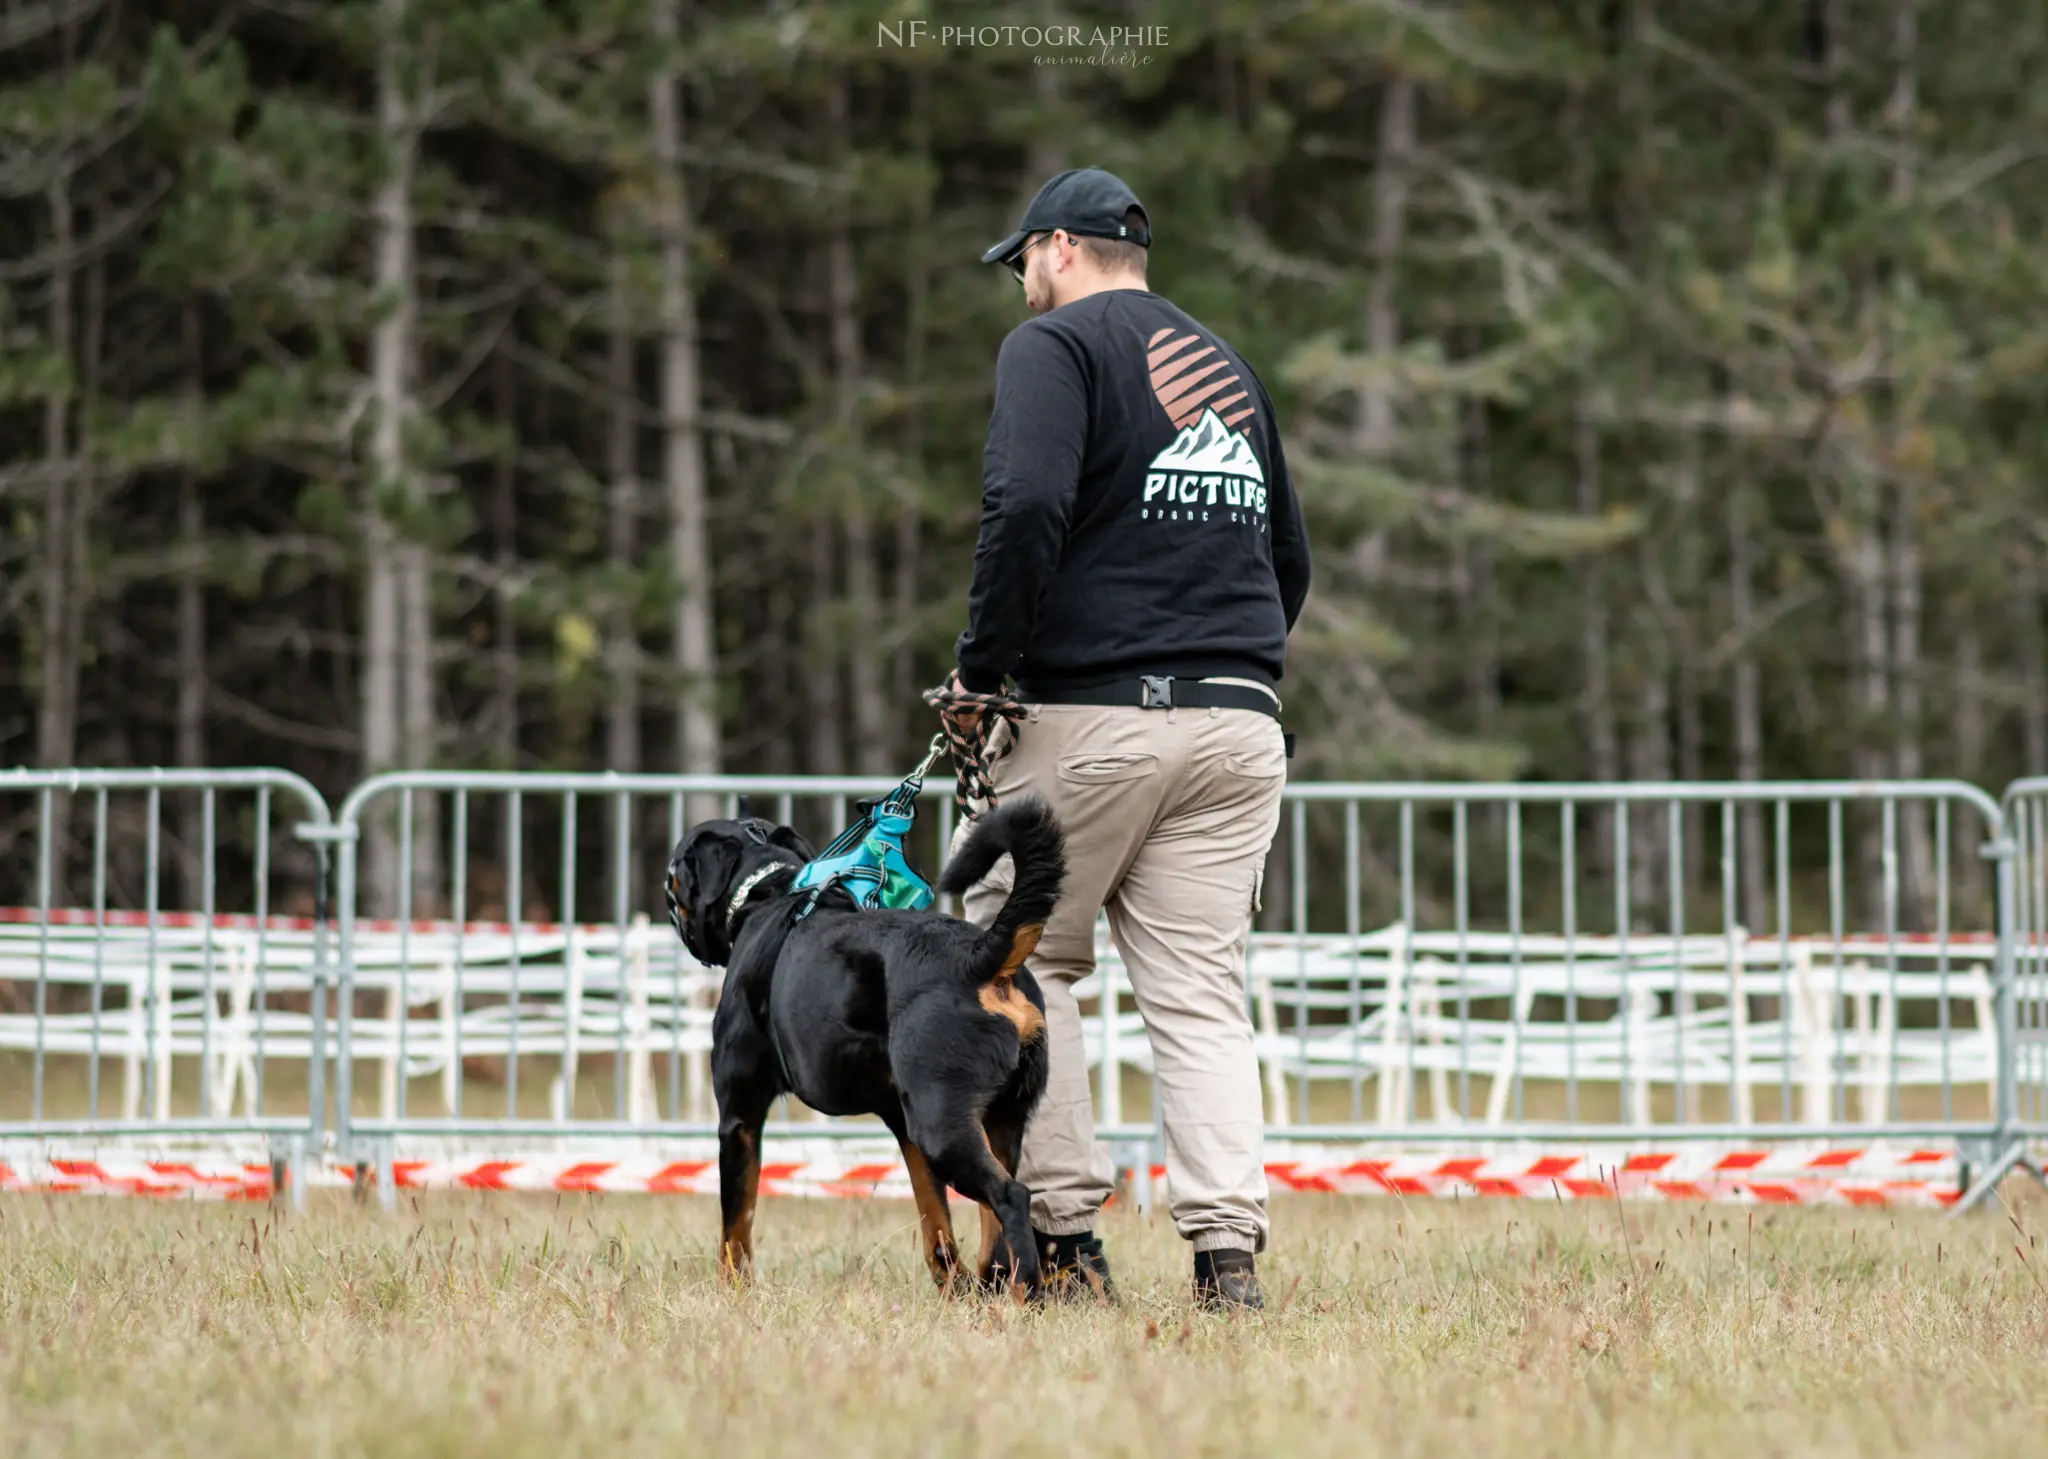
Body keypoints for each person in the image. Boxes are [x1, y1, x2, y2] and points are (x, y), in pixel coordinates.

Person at [940, 167, 1310, 1310]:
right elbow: (1286, 555)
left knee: (1027, 959)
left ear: (1057, 247)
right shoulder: (1229, 368)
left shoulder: (1053, 350)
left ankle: (1059, 1242)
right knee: (1200, 991)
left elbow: (1027, 506)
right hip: (1240, 721)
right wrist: (1221, 661)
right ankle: (1226, 1260)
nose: (1020, 288)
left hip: (1095, 714)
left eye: (1021, 266)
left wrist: (981, 666)